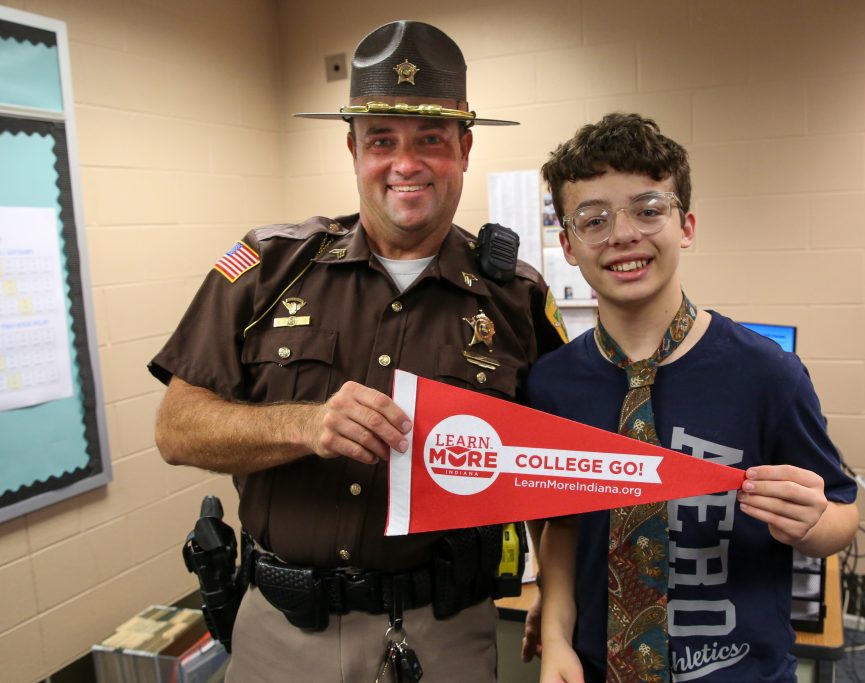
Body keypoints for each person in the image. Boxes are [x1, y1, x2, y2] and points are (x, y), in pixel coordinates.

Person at [149, 20, 566, 683]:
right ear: (352, 149)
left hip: (447, 632)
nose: (406, 164)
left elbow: (554, 462)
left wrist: (558, 599)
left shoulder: (513, 298)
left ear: (464, 147)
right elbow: (174, 429)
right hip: (282, 634)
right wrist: (305, 423)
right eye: (382, 141)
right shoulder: (266, 266)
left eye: (431, 139)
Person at [527, 113, 859, 683]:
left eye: (648, 209)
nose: (623, 234)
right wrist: (557, 639)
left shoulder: (768, 375)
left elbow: (842, 516)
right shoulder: (552, 385)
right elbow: (563, 526)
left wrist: (814, 521)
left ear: (686, 225)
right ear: (568, 244)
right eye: (594, 219)